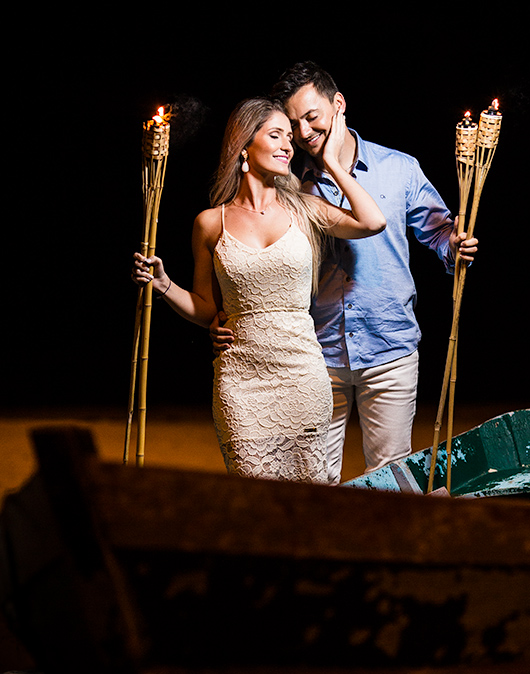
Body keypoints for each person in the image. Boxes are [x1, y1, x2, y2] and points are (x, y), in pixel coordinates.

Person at [213, 61, 478, 484]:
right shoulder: (291, 184)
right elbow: (252, 262)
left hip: (389, 346)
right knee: (319, 478)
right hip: (316, 356)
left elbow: (440, 233)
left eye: (311, 118)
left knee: (390, 475)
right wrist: (223, 317)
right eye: (293, 124)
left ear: (338, 104)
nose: (302, 134)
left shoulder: (400, 168)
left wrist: (455, 246)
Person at [133, 97, 386, 483]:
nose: (289, 144)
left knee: (310, 498)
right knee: (254, 500)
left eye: (290, 137)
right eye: (276, 135)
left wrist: (332, 163)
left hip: (303, 379)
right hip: (241, 385)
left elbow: (372, 222)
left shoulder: (305, 208)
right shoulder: (209, 223)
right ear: (244, 145)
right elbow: (206, 310)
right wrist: (164, 285)